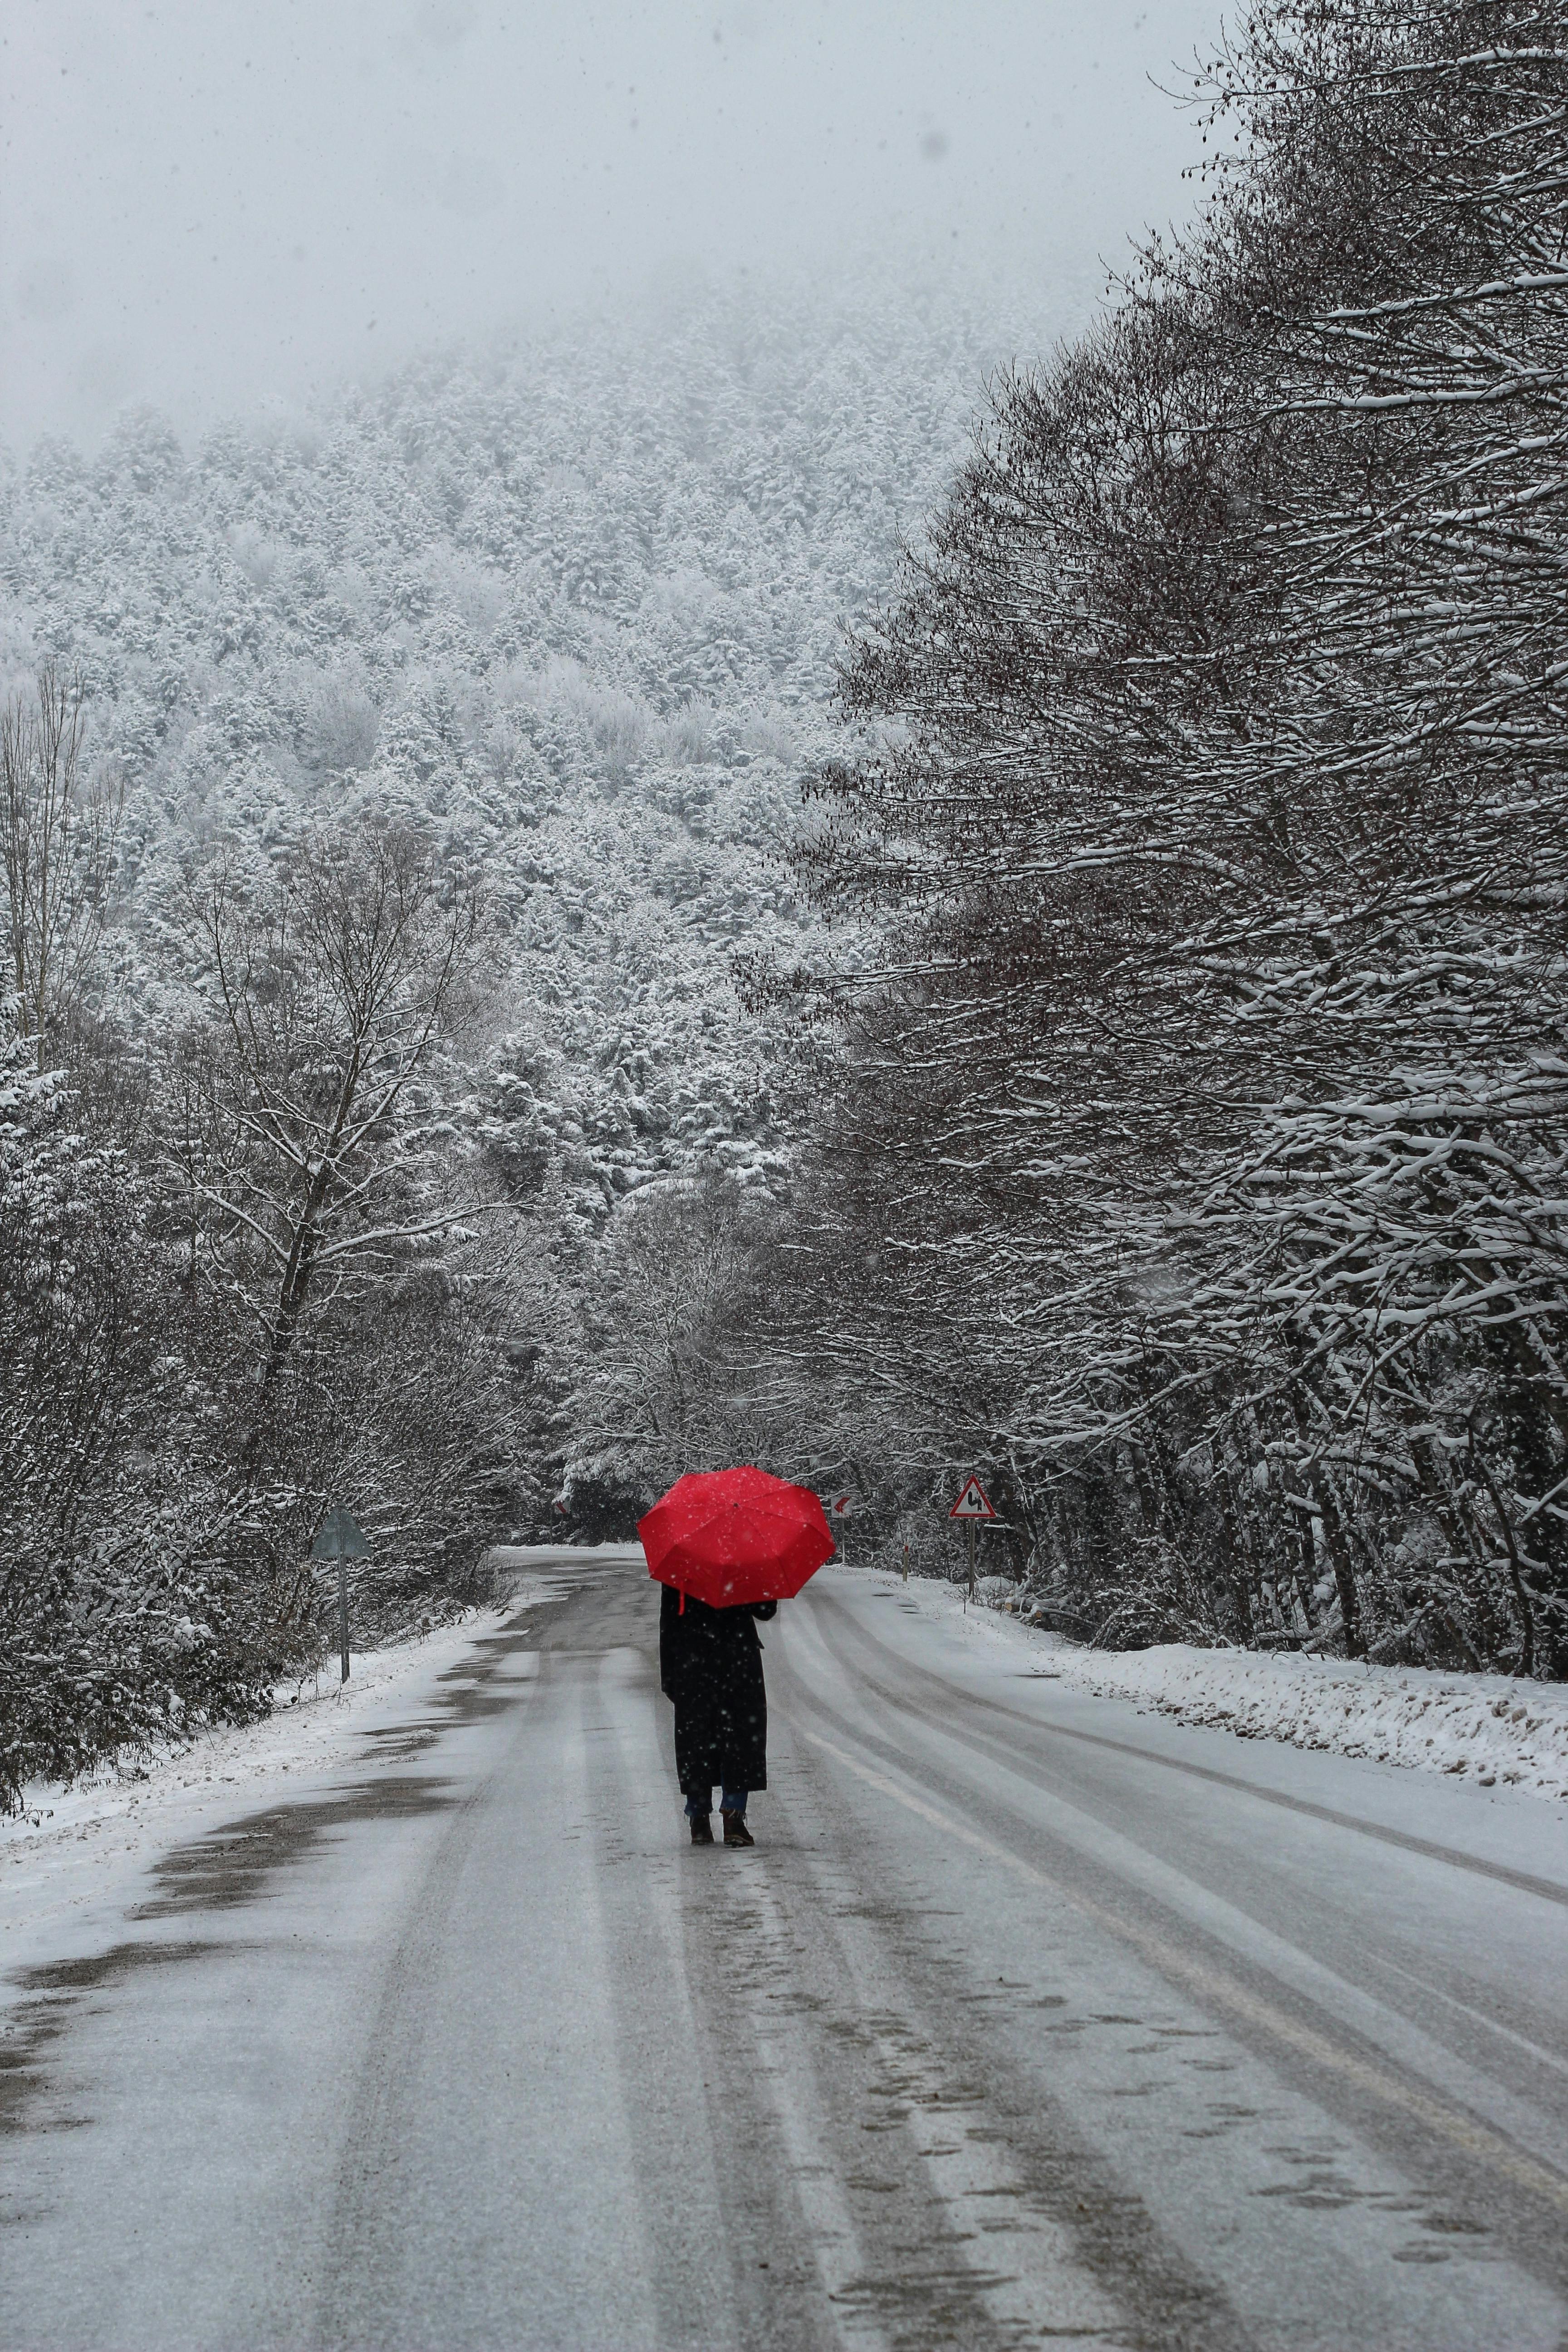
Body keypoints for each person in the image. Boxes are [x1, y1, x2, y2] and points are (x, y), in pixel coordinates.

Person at [658, 1584, 778, 1846]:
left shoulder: (683, 1559)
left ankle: (699, 1819)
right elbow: (766, 1611)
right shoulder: (746, 1557)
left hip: (693, 1660)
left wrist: (669, 1674)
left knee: (696, 1740)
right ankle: (734, 1817)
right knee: (738, 1738)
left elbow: (669, 1621)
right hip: (737, 1659)